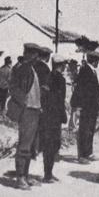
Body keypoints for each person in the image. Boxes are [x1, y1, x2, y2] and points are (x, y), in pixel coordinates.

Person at [7, 42, 44, 190]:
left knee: (30, 145)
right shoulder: (23, 69)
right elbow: (13, 88)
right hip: (27, 110)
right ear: (29, 54)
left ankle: (25, 176)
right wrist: (23, 103)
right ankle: (20, 177)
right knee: (24, 145)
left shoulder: (31, 69)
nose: (37, 57)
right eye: (35, 54)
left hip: (34, 110)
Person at [38, 51, 68, 183]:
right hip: (54, 116)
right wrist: (63, 115)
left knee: (51, 145)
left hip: (47, 115)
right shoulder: (60, 79)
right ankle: (47, 174)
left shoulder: (48, 76)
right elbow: (59, 99)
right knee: (52, 145)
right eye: (64, 65)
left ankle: (48, 172)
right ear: (61, 65)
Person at [71, 51, 99, 164]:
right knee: (84, 130)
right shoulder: (85, 71)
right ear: (95, 60)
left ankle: (89, 153)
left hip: (92, 105)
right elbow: (80, 89)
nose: (98, 63)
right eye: (97, 61)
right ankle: (82, 156)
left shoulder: (91, 71)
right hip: (86, 106)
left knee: (90, 129)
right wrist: (79, 106)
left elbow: (95, 88)